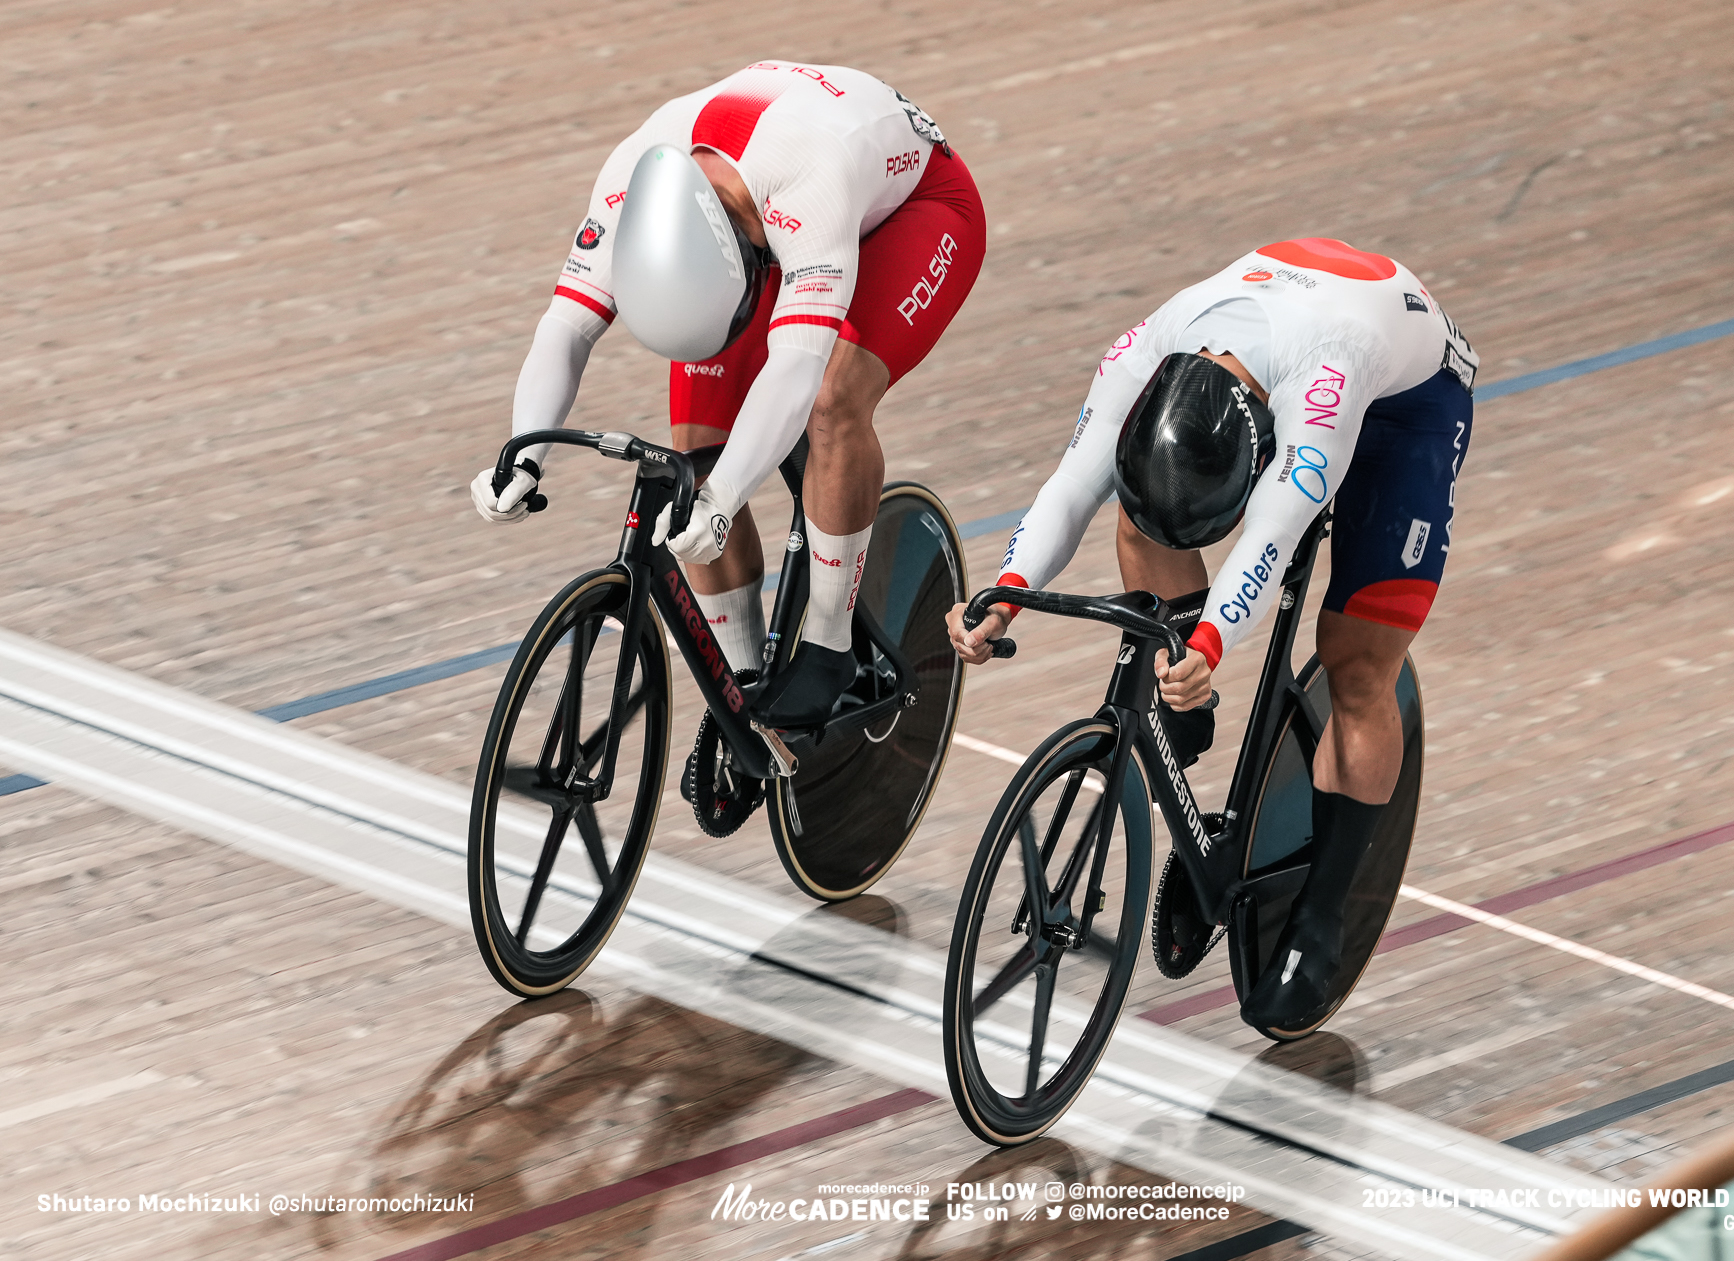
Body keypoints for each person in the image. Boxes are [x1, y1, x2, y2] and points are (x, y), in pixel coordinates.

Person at [946, 236, 1476, 1031]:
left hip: (1408, 402)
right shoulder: (1141, 352)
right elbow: (1068, 487)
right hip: (1289, 329)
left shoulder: (1323, 390)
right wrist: (1007, 593)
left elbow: (1269, 535)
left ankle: (1322, 917)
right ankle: (1184, 717)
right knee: (1140, 514)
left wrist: (1210, 645)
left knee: (1359, 662)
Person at [473, 61, 986, 729]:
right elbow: (565, 328)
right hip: (765, 217)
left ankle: (830, 644)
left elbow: (796, 370)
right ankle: (742, 686)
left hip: (917, 210)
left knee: (833, 399)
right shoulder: (631, 183)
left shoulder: (812, 183)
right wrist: (523, 452)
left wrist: (725, 500)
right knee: (696, 454)